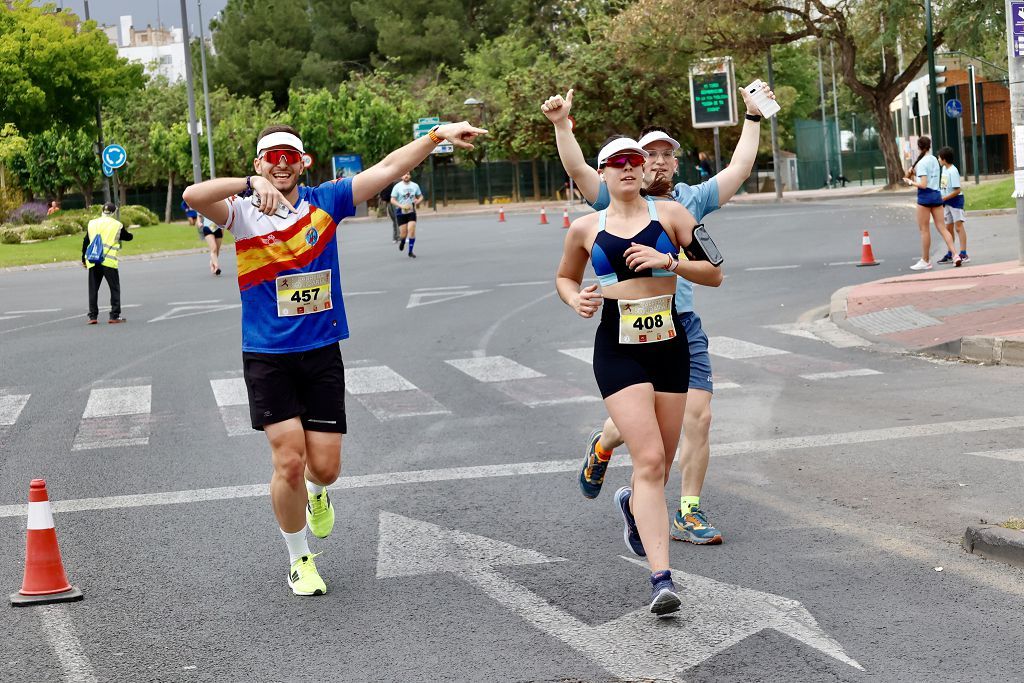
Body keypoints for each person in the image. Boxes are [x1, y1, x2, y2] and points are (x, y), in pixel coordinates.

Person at [181, 120, 485, 596]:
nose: (281, 163)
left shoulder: (326, 201)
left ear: (303, 163)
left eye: (290, 156)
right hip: (267, 354)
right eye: (271, 157)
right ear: (260, 164)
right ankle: (299, 557)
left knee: (324, 468)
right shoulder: (241, 212)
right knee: (288, 461)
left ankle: (318, 492)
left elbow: (387, 169)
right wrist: (247, 185)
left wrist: (437, 136)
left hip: (321, 351)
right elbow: (194, 195)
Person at [541, 83, 772, 546]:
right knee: (637, 422)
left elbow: (740, 168)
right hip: (626, 328)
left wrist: (752, 117)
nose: (657, 161)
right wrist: (563, 124)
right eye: (649, 153)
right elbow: (579, 168)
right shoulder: (614, 201)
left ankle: (687, 510)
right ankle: (604, 444)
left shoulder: (691, 200)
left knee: (699, 417)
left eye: (666, 153)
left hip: (680, 326)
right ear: (633, 166)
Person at [556, 137, 723, 615]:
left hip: (669, 345)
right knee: (649, 458)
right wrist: (576, 299)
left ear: (645, 171)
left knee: (661, 466)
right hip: (617, 348)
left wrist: (670, 261)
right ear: (603, 174)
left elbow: (716, 273)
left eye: (636, 161)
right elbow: (566, 278)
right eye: (618, 163)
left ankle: (632, 505)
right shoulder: (585, 227)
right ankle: (661, 580)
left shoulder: (672, 216)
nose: (629, 168)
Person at [903, 136, 960, 270]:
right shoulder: (934, 159)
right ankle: (955, 254)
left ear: (919, 147)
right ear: (929, 146)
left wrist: (911, 182)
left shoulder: (921, 163)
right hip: (937, 195)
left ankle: (925, 260)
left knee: (924, 229)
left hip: (925, 197)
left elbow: (923, 184)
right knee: (942, 227)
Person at [81, 202, 132, 324]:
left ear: (102, 211)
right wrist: (130, 235)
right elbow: (127, 237)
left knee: (93, 289)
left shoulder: (92, 223)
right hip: (108, 261)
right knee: (114, 288)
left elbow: (86, 241)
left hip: (93, 260)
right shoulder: (116, 225)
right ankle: (114, 315)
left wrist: (83, 258)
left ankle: (93, 316)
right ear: (114, 212)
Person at [937, 146, 969, 264]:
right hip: (946, 202)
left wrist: (944, 198)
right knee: (948, 228)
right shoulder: (944, 169)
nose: (938, 159)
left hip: (955, 202)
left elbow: (957, 190)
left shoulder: (953, 171)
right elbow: (944, 187)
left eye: (939, 158)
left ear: (944, 159)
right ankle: (951, 253)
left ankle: (964, 254)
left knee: (958, 227)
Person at [390, 172, 424, 258]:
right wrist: (401, 206)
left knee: (411, 230)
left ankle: (410, 251)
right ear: (401, 176)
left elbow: (421, 196)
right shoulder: (397, 187)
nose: (406, 176)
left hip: (411, 211)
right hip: (400, 212)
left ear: (410, 176)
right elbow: (392, 200)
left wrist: (418, 201)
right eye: (404, 174)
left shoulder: (415, 186)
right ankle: (402, 241)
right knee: (403, 234)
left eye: (408, 174)